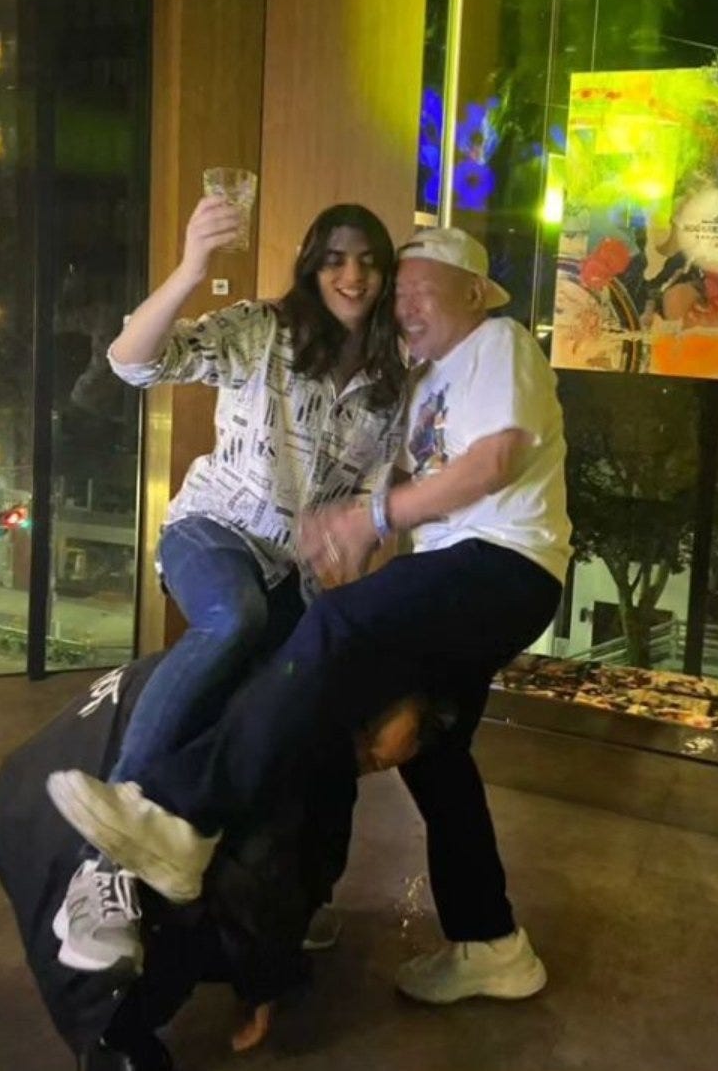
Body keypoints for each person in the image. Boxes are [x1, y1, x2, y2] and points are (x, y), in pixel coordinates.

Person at [47, 225, 573, 1006]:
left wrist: (371, 520)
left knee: (333, 629)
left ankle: (179, 814)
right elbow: (137, 360)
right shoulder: (405, 375)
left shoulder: (497, 344)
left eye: (417, 289)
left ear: (474, 292)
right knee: (429, 752)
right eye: (397, 292)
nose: (399, 303)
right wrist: (353, 540)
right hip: (440, 567)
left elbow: (492, 461)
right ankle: (490, 941)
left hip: (503, 562)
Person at [55, 197, 407, 977]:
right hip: (212, 533)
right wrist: (191, 266)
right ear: (311, 266)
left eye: (367, 260)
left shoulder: (389, 383)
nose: (351, 275)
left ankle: (281, 898)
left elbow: (372, 508)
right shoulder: (262, 329)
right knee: (234, 616)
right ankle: (100, 870)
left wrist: (348, 575)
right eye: (334, 259)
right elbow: (132, 360)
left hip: (297, 574)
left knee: (303, 713)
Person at [0, 653, 439, 1070]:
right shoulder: (287, 733)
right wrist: (264, 984)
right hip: (61, 823)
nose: (372, 766)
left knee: (191, 858)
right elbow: (260, 870)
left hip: (37, 781)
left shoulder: (285, 669)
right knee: (157, 910)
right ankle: (112, 1034)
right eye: (370, 754)